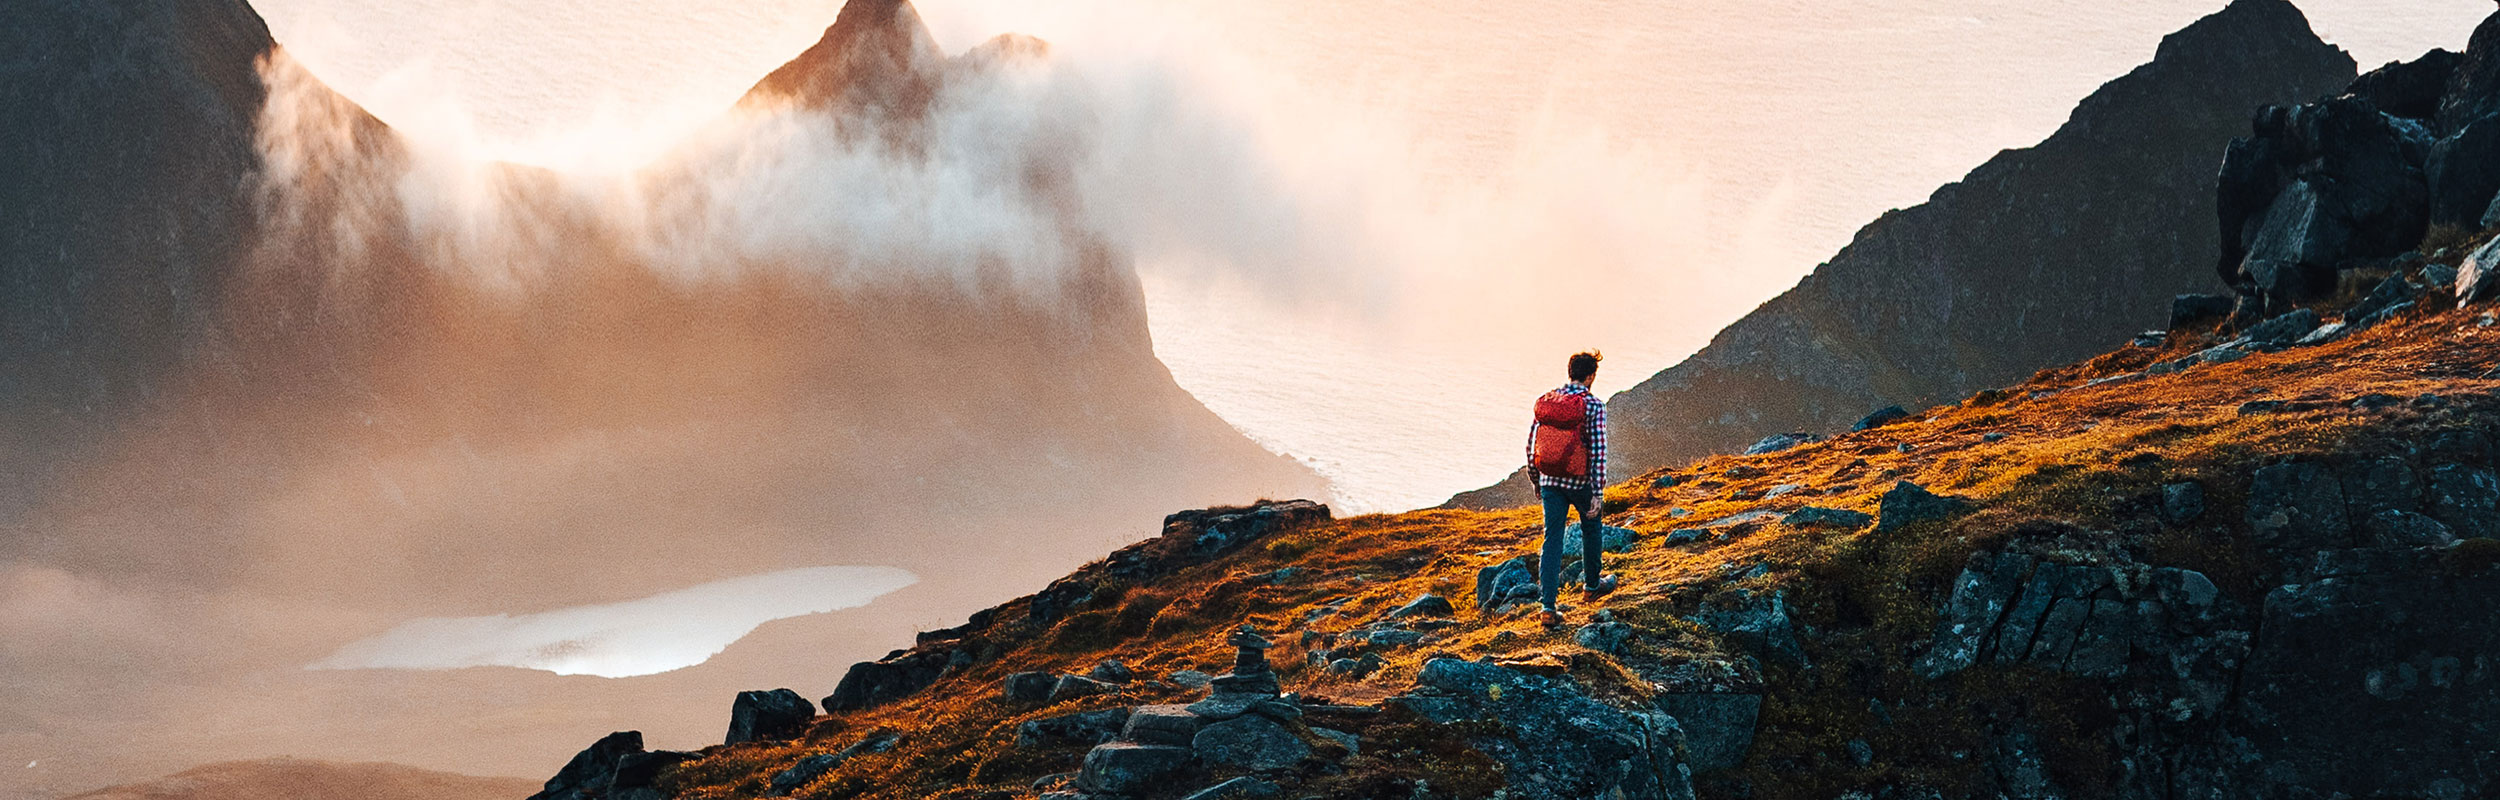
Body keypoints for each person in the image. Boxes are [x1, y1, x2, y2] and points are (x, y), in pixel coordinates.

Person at [1525, 350, 1617, 629]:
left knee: (1551, 539)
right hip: (1580, 483)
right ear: (1591, 376)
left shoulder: (1549, 400)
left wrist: (1535, 478)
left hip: (1550, 479)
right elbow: (1599, 451)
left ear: (1570, 372)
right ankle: (1591, 586)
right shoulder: (1593, 405)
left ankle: (1548, 608)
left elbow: (1533, 443)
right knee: (1591, 529)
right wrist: (1598, 493)